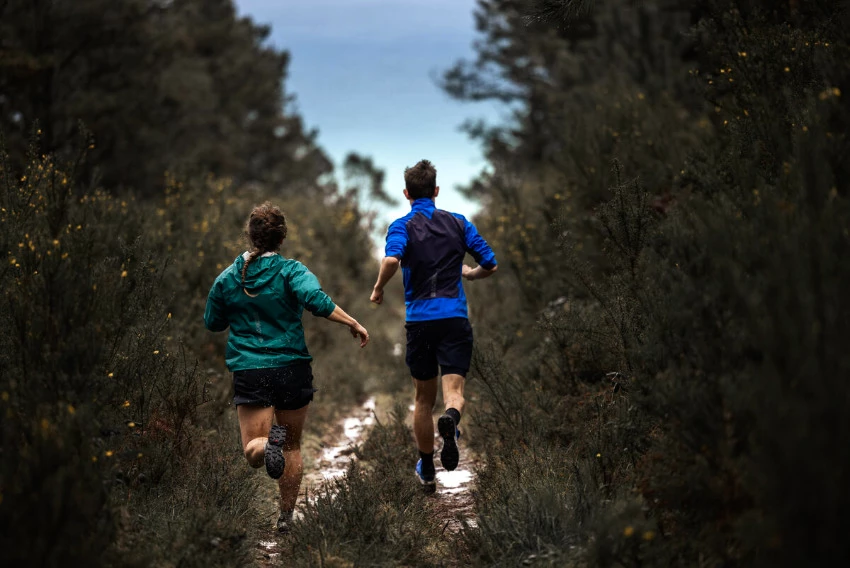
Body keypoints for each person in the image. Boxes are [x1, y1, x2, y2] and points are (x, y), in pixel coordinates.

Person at [204, 202, 369, 532]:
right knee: (292, 445)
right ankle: (286, 517)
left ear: (250, 235)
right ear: (282, 237)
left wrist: (243, 312)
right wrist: (352, 322)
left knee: (254, 450)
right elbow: (317, 302)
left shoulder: (227, 278)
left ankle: (268, 445)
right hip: (292, 368)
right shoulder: (293, 271)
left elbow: (213, 322)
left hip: (250, 370)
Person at [370, 160, 497, 491]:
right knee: (453, 392)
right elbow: (491, 263)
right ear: (436, 191)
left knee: (422, 399)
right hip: (454, 318)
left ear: (406, 193)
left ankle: (427, 469)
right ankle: (451, 421)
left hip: (420, 322)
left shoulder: (402, 225)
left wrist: (379, 287)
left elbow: (391, 260)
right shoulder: (459, 223)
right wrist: (470, 273)